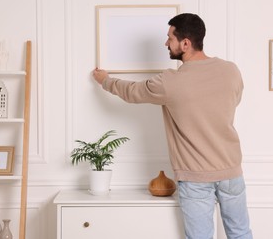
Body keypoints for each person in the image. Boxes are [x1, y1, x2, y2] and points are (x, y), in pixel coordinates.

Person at [93, 13, 253, 239]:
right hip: (232, 173)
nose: (166, 43)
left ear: (185, 43)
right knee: (241, 234)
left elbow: (132, 92)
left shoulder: (170, 82)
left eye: (170, 38)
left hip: (195, 178)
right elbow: (233, 101)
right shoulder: (231, 70)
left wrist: (105, 81)